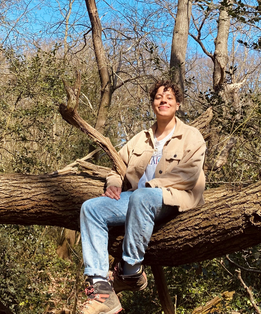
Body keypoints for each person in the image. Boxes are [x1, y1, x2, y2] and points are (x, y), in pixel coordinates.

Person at [79, 80, 206, 314]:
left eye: (169, 98)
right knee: (91, 208)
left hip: (173, 199)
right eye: (159, 97)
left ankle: (129, 271)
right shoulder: (141, 138)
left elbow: (189, 174)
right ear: (153, 104)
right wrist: (115, 183)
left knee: (143, 196)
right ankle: (101, 289)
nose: (163, 101)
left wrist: (150, 186)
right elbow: (116, 167)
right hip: (139, 200)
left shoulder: (191, 136)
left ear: (177, 104)